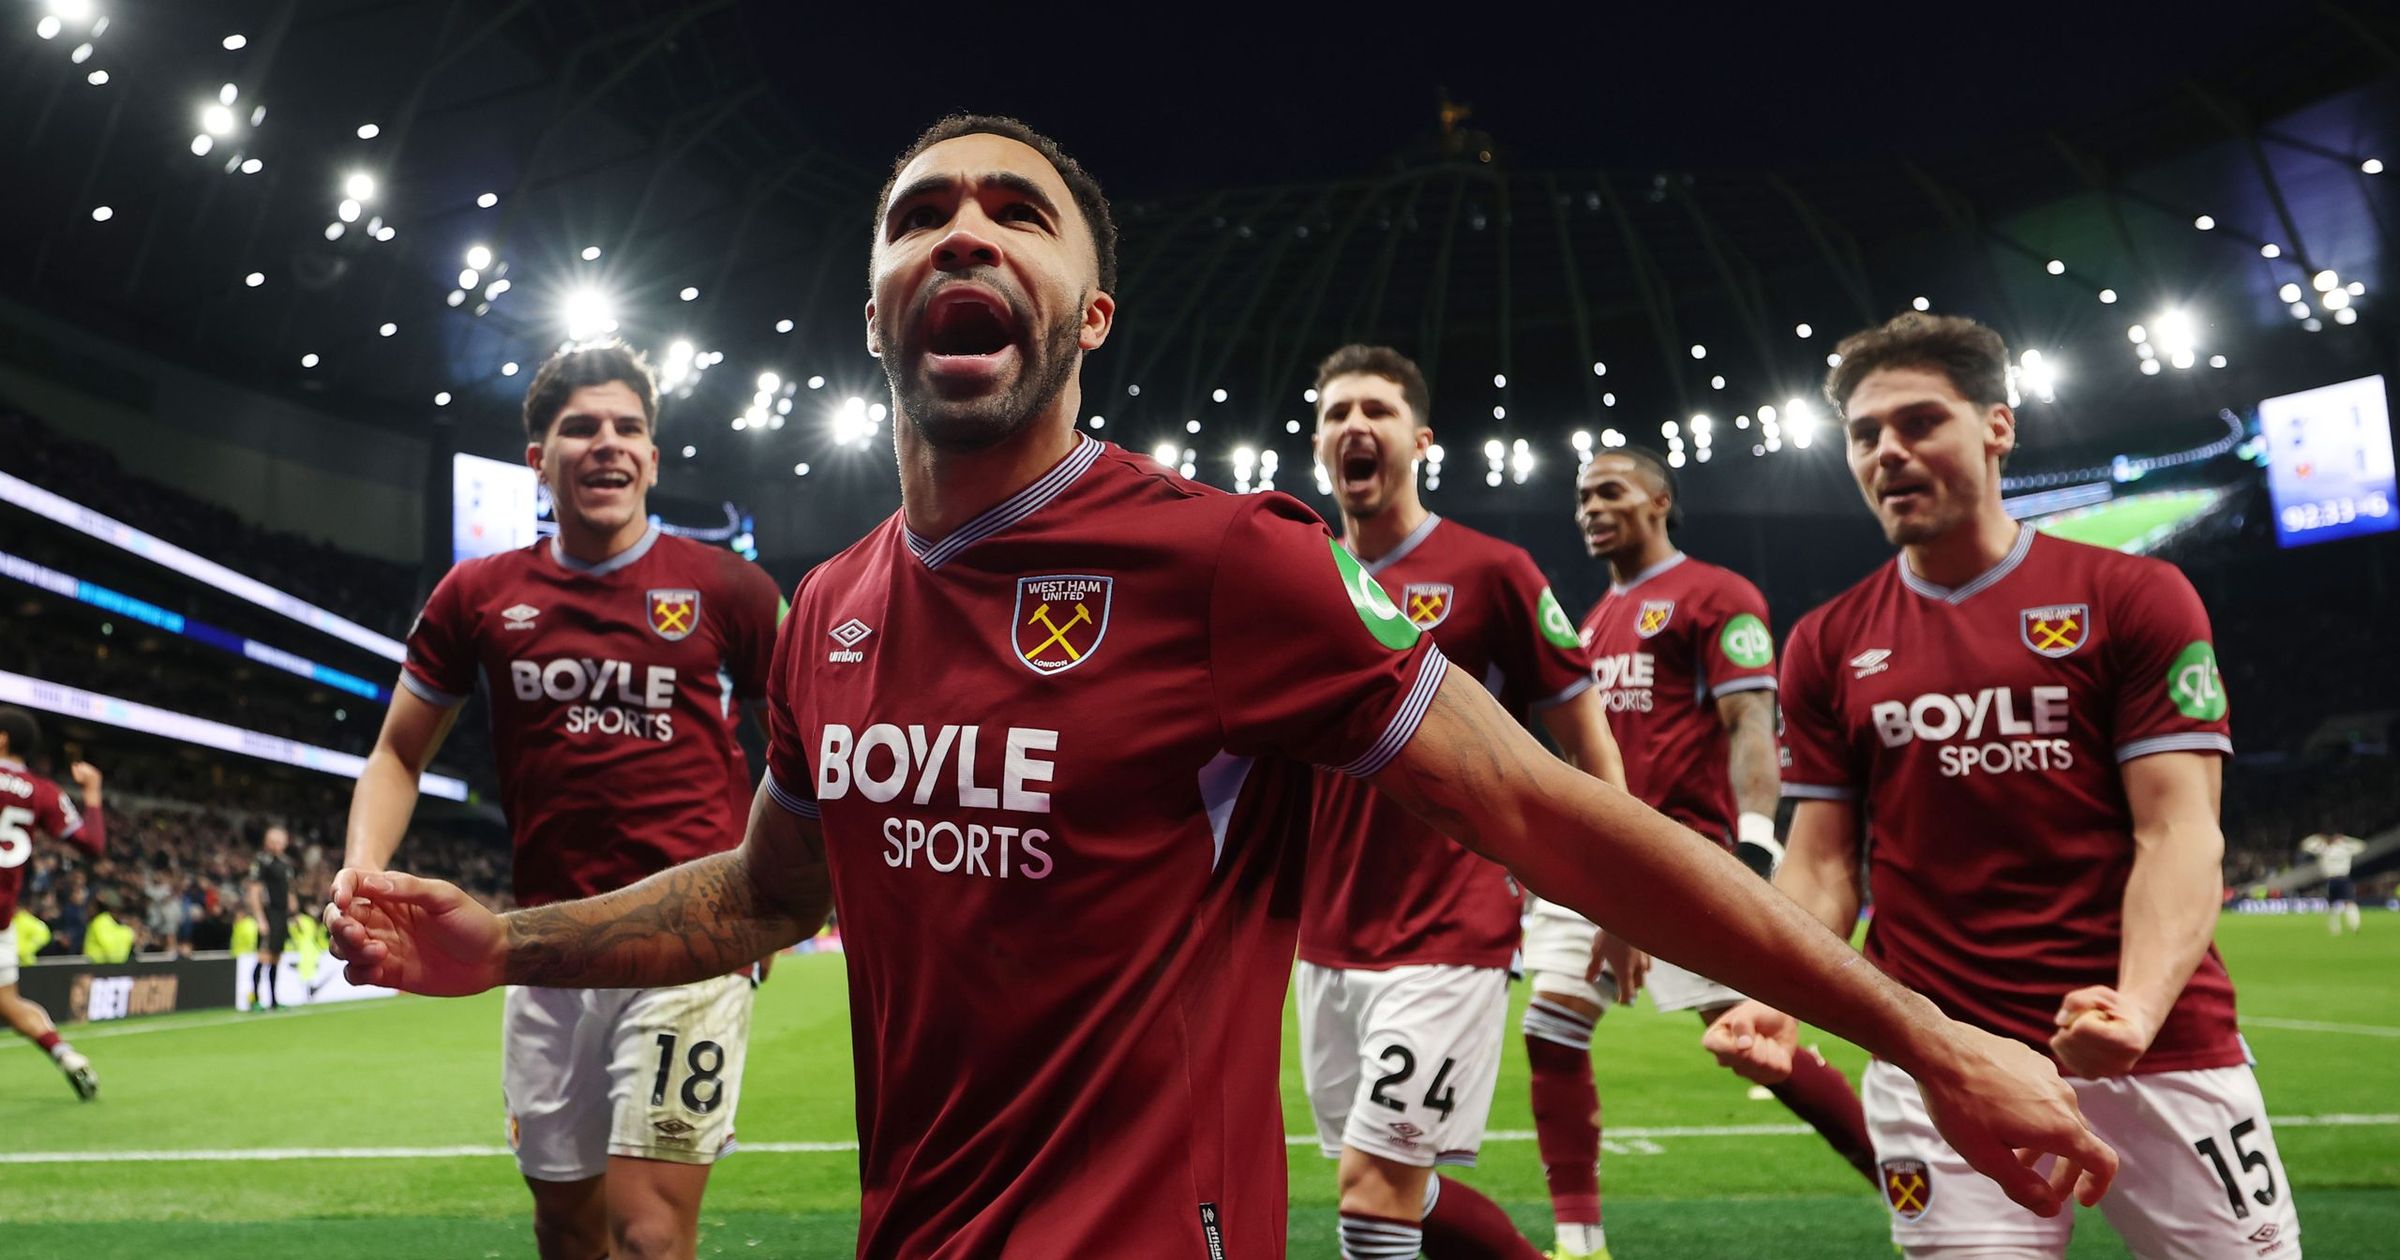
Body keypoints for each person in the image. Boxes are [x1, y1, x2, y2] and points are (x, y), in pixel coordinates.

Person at [331, 116, 2116, 1260]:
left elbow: (1551, 815)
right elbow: (761, 896)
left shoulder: (1225, 565)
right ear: (875, 306)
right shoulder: (831, 613)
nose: (966, 233)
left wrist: (1931, 1040)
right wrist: (505, 944)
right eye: (921, 215)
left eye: (1019, 212)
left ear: (1090, 314)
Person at [1707, 311, 2298, 1258]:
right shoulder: (1825, 642)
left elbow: (2180, 831)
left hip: (2151, 1044)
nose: (1888, 452)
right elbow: (1821, 864)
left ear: (1997, 426)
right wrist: (1779, 989)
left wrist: (2137, 1007)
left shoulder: (2132, 596)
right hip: (1940, 1057)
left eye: (1919, 423)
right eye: (1865, 435)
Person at [340, 340, 786, 1260]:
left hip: (689, 938)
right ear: (538, 460)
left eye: (628, 427)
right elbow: (397, 752)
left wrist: (776, 885)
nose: (607, 442)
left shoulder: (731, 590)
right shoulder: (477, 594)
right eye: (580, 428)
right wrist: (362, 872)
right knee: (565, 1228)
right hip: (542, 947)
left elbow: (809, 743)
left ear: (652, 458)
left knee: (650, 1231)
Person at [1300, 345, 1623, 1260]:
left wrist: (1619, 900)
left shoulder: (1492, 572)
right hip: (1324, 936)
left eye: (1377, 410)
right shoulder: (1300, 575)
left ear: (1422, 440)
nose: (1355, 426)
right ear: (1319, 445)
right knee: (1399, 1186)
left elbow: (1589, 741)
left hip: (1451, 927)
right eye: (1336, 414)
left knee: (1373, 1194)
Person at [1535, 448, 1877, 1244]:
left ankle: (1906, 1188)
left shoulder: (1716, 595)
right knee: (1551, 1030)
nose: (1590, 508)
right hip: (1600, 861)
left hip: (1684, 858)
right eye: (1582, 497)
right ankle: (1580, 1245)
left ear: (1659, 500)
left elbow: (1750, 720)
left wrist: (1754, 846)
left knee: (1752, 1037)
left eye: (1609, 491)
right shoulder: (1594, 621)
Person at [0, 706, 104, 1100]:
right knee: (8, 1002)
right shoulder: (43, 792)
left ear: (3, 739)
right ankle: (67, 1056)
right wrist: (92, 792)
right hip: (2, 917)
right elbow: (93, 845)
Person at [244, 825, 297, 1010]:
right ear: (267, 842)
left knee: (276, 957)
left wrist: (294, 914)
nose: (277, 844)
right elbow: (254, 891)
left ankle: (274, 1000)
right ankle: (254, 999)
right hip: (268, 913)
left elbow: (289, 890)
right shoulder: (261, 862)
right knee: (264, 956)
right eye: (274, 841)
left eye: (280, 841)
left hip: (281, 915)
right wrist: (260, 918)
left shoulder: (286, 864)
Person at [2300, 833, 2367, 934]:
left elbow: (2305, 845)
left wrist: (2316, 837)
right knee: (2346, 903)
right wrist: (2346, 839)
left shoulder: (2324, 849)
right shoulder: (2345, 848)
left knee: (2338, 905)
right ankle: (2352, 926)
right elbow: (2362, 845)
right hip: (2338, 879)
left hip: (2337, 879)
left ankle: (2342, 928)